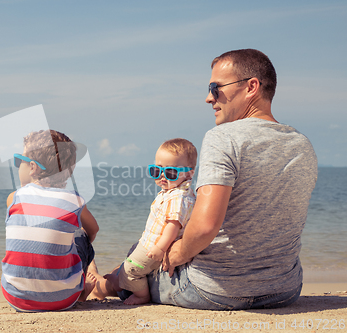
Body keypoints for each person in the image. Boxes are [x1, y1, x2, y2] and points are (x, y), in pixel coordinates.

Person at [91, 49, 317, 310]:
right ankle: (102, 283)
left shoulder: (223, 138)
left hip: (213, 289)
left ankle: (99, 286)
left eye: (216, 87)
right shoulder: (302, 145)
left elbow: (204, 227)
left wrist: (176, 253)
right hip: (284, 290)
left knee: (139, 254)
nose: (209, 98)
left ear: (251, 86)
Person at [1, 129, 100, 312]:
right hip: (63, 299)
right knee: (80, 233)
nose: (17, 166)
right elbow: (94, 230)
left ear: (32, 167)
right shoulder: (75, 200)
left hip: (16, 298)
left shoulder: (14, 197)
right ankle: (80, 291)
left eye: (18, 161)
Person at [106, 138, 197, 305]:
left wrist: (160, 248)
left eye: (170, 172)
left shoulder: (179, 197)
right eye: (156, 170)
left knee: (132, 269)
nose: (162, 176)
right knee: (129, 262)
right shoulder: (171, 190)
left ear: (189, 173)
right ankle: (119, 281)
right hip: (150, 241)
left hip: (157, 246)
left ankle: (142, 295)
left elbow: (173, 225)